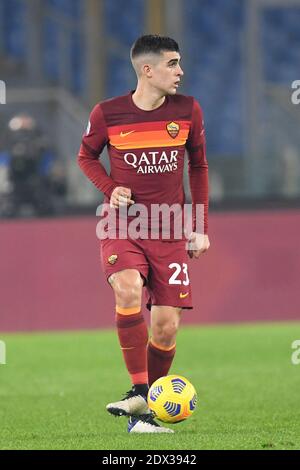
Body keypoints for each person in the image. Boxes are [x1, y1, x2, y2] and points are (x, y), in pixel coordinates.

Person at [78, 35, 210, 433]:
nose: (180, 71)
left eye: (180, 63)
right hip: (123, 225)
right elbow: (86, 156)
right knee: (128, 289)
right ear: (147, 70)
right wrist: (109, 187)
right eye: (173, 64)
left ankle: (144, 410)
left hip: (170, 229)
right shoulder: (108, 113)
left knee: (166, 327)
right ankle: (138, 389)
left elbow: (198, 167)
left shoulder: (188, 110)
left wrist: (200, 228)